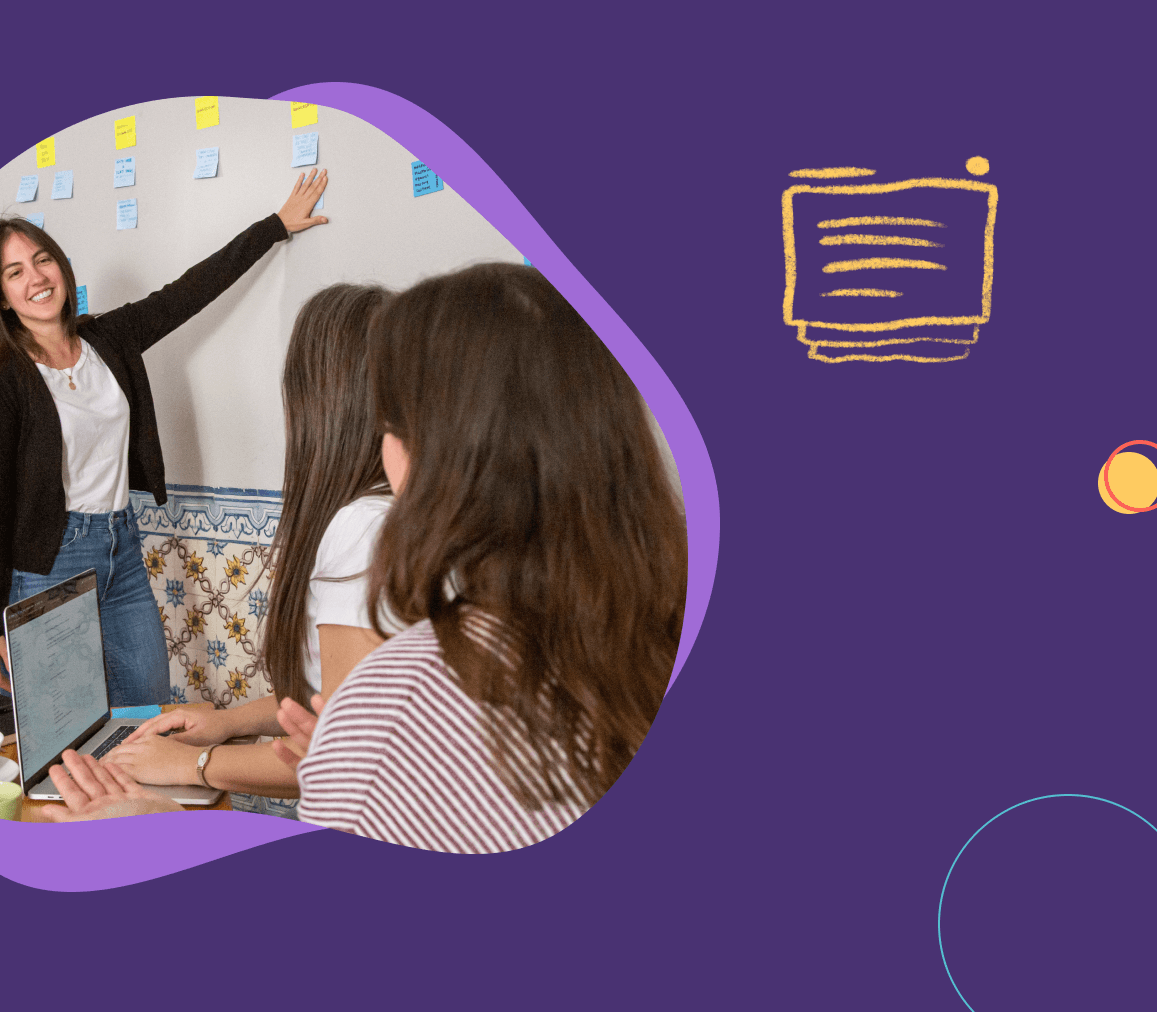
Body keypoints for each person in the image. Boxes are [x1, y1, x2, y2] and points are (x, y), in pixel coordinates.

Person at [45, 263, 688, 855]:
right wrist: (253, 730)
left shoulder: (397, 679)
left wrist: (158, 823)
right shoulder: (651, 622)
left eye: (394, 418)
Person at [0, 171, 329, 706]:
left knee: (145, 712)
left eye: (42, 260)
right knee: (67, 729)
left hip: (121, 549)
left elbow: (187, 294)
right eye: (15, 272)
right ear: (2, 297)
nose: (36, 277)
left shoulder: (106, 339)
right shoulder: (0, 381)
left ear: (61, 267)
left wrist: (274, 226)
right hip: (48, 566)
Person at [97, 283, 394, 796]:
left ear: (320, 398)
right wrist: (229, 722)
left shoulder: (362, 529)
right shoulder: (377, 515)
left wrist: (193, 766)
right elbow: (329, 697)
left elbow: (347, 762)